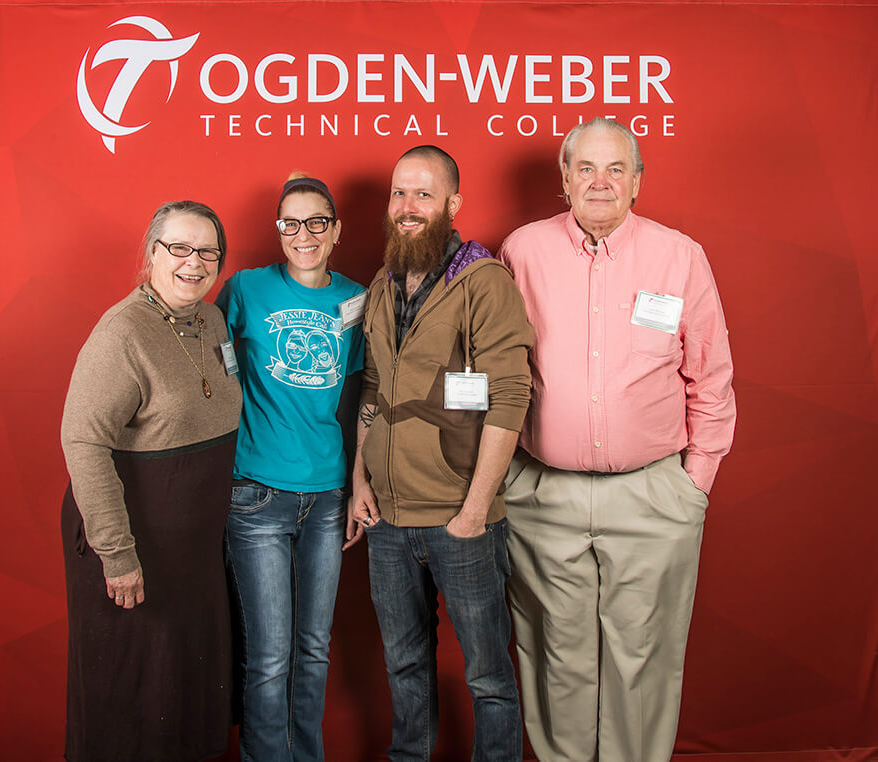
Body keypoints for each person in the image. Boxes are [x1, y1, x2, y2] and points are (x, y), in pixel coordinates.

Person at [498, 116, 737, 762]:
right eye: (584, 168)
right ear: (563, 181)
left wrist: (694, 484)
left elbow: (710, 375)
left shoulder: (679, 256)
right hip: (543, 496)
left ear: (636, 182)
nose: (599, 182)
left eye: (614, 169)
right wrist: (509, 477)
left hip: (654, 496)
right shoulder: (521, 250)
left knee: (644, 658)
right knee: (554, 655)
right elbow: (497, 367)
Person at [348, 145, 532, 761]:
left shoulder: (483, 281)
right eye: (399, 193)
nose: (407, 207)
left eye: (423, 194)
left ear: (453, 203)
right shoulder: (382, 284)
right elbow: (372, 386)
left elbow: (510, 397)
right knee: (404, 667)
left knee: (488, 679)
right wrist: (360, 482)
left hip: (463, 519)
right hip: (389, 523)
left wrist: (475, 511)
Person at [60, 201, 242, 761]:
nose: (194, 263)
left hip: (193, 549)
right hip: (135, 542)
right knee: (134, 690)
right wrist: (116, 554)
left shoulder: (211, 318)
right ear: (151, 254)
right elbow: (84, 442)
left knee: (187, 686)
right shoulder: (122, 332)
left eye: (207, 251)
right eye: (179, 249)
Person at [216, 174, 365, 762]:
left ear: (335, 230)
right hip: (256, 495)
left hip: (327, 495)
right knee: (270, 654)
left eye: (316, 222)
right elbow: (212, 371)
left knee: (314, 649)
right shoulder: (246, 290)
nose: (303, 235)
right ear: (279, 231)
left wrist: (358, 486)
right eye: (291, 224)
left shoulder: (355, 298)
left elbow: (359, 398)